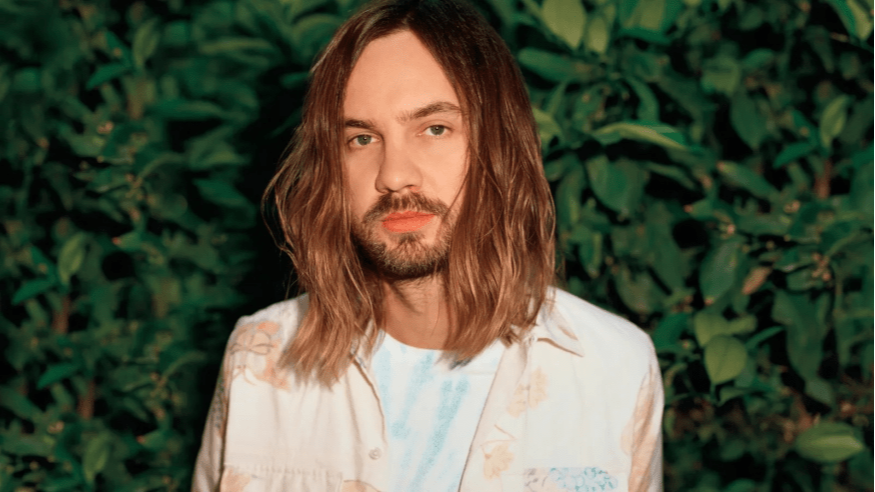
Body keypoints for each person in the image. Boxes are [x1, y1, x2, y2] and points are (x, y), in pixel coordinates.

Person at [192, 0, 664, 490]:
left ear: (500, 146)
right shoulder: (258, 354)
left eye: (435, 129)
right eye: (362, 138)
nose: (395, 175)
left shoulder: (613, 366)